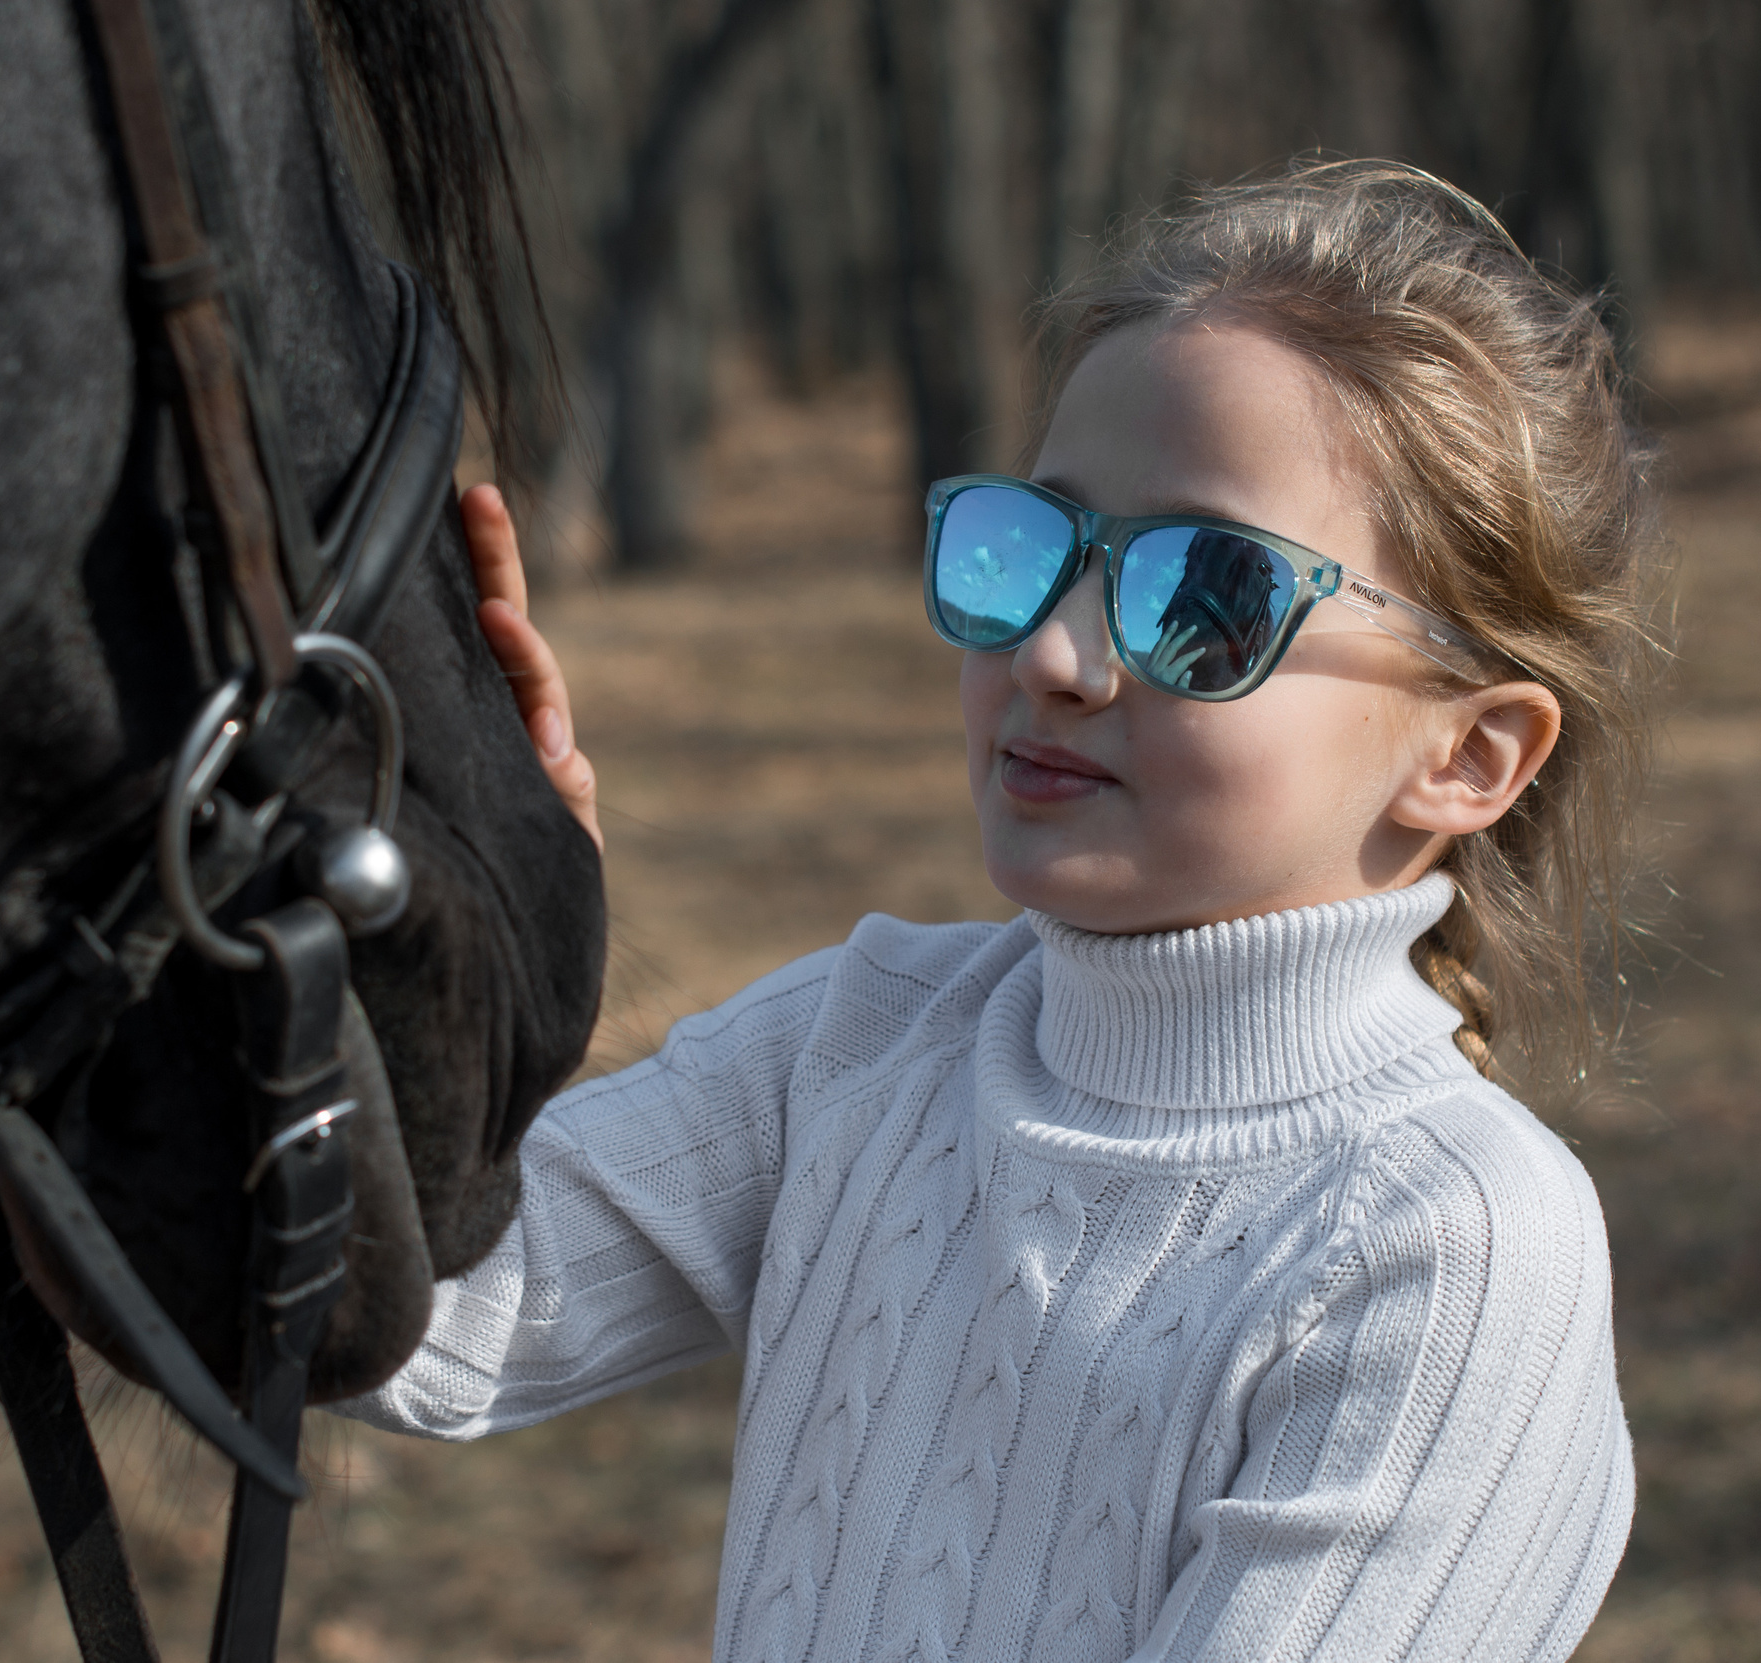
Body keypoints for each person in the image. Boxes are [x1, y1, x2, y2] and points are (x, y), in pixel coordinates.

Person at [340, 158, 1665, 1662]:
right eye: (1032, 547)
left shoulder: (1445, 1246)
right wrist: (458, 933)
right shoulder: (861, 1046)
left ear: (1469, 754)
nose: (1052, 651)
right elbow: (408, 1322)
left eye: (1202, 598)